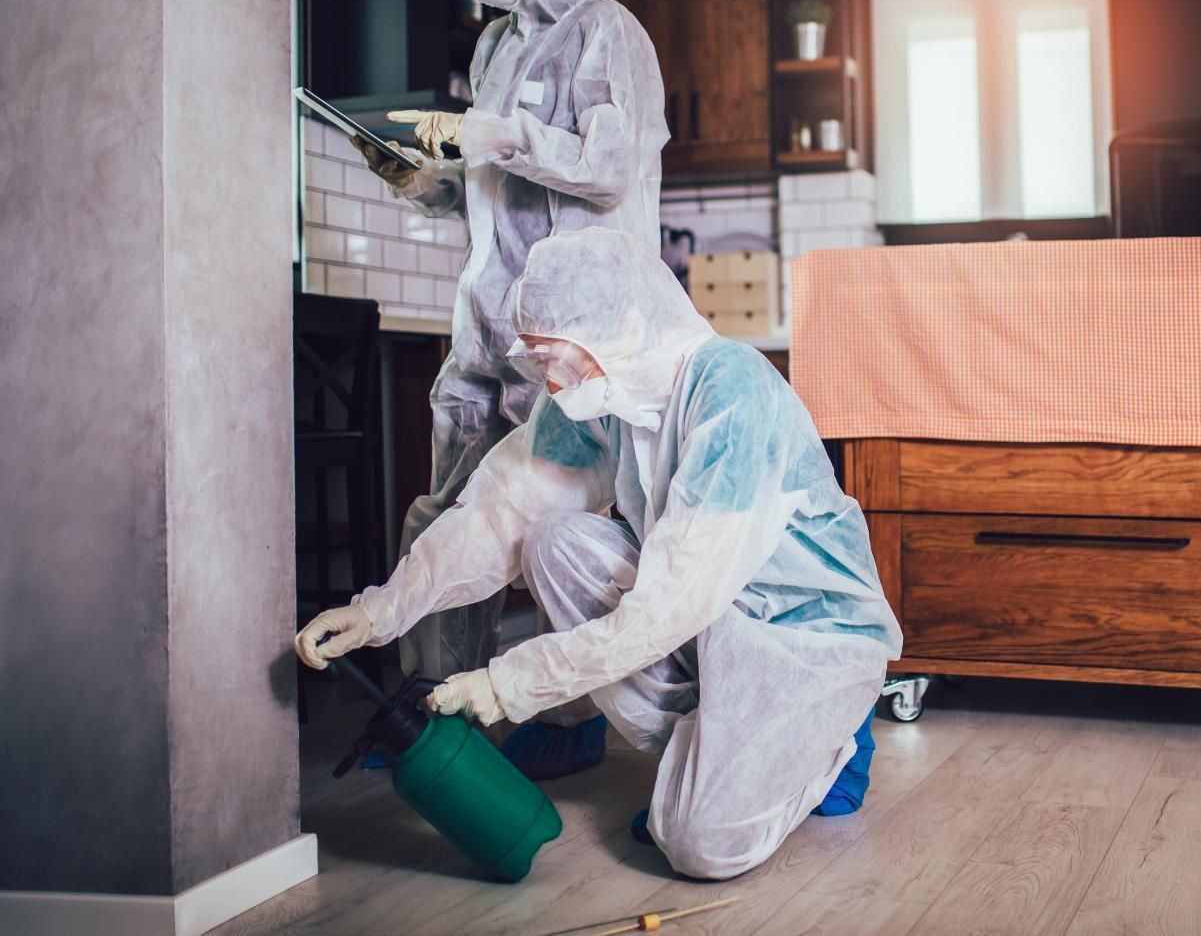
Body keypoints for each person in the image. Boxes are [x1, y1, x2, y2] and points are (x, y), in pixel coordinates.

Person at [296, 228, 902, 880]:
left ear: (626, 326)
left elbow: (671, 603)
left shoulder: (733, 394)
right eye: (539, 361)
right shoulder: (601, 394)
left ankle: (833, 739)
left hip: (800, 635)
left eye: (560, 359)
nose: (551, 382)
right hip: (704, 619)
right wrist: (381, 611)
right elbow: (502, 512)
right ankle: (706, 761)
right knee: (551, 539)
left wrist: (511, 682)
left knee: (699, 846)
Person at [349, 0, 667, 683]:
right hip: (486, 326)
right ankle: (434, 700)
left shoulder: (606, 31)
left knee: (563, 525)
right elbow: (492, 194)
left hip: (570, 335)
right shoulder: (493, 46)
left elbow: (609, 169)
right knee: (448, 514)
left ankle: (581, 705)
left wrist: (502, 135)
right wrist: (421, 178)